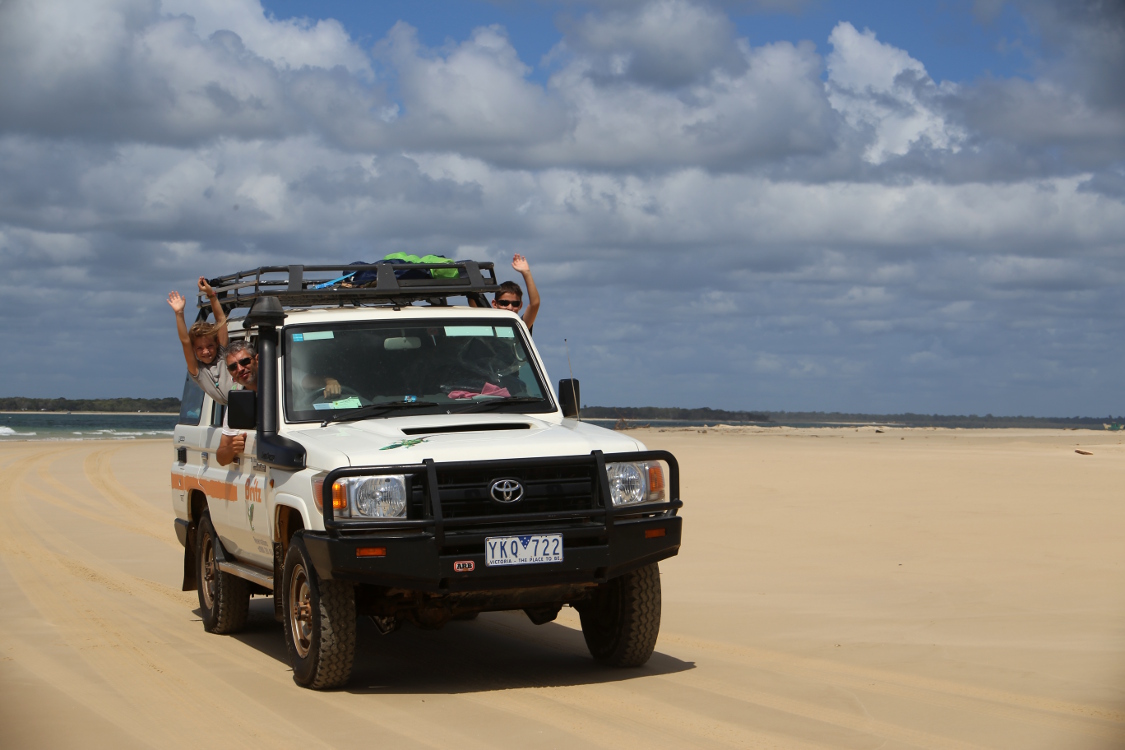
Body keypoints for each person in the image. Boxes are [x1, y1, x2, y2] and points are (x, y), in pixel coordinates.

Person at [167, 278, 232, 404]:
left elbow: (221, 320)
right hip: (230, 411)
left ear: (217, 343)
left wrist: (211, 294)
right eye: (200, 348)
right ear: (194, 350)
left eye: (210, 346)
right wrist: (179, 313)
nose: (206, 351)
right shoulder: (198, 371)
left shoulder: (222, 356)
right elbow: (185, 341)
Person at [217, 340, 257, 466]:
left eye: (245, 362)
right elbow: (221, 458)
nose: (240, 369)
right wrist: (232, 448)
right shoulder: (238, 403)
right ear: (230, 372)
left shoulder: (281, 388)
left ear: (257, 359)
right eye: (233, 367)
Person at [490, 254, 540, 332]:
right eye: (504, 303)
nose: (510, 308)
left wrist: (526, 273)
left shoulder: (520, 328)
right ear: (494, 304)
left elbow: (535, 304)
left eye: (515, 304)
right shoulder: (487, 326)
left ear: (520, 305)